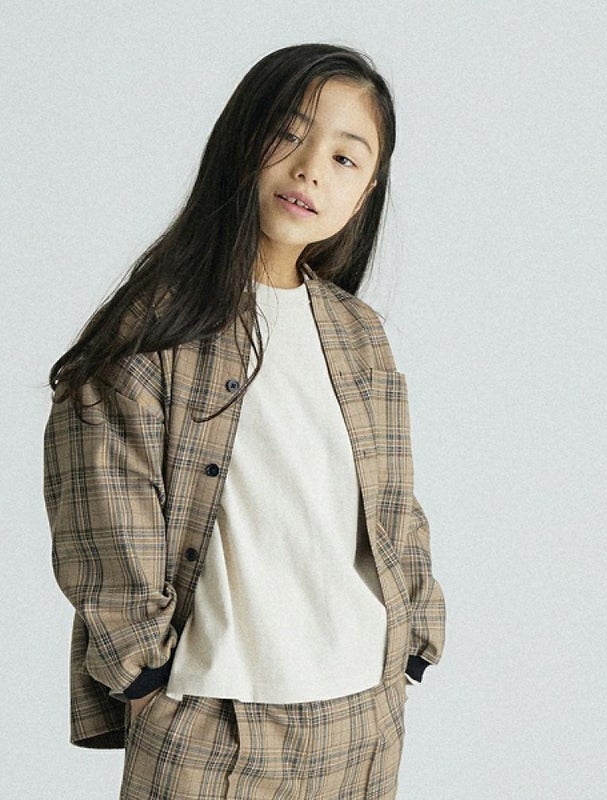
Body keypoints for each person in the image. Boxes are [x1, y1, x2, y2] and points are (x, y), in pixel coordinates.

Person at [43, 42, 445, 800]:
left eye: (345, 158)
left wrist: (417, 632)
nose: (310, 169)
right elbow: (103, 507)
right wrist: (143, 670)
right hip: (209, 719)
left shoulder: (360, 335)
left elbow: (394, 501)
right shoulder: (153, 329)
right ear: (239, 138)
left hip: (364, 713)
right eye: (288, 134)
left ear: (366, 192)